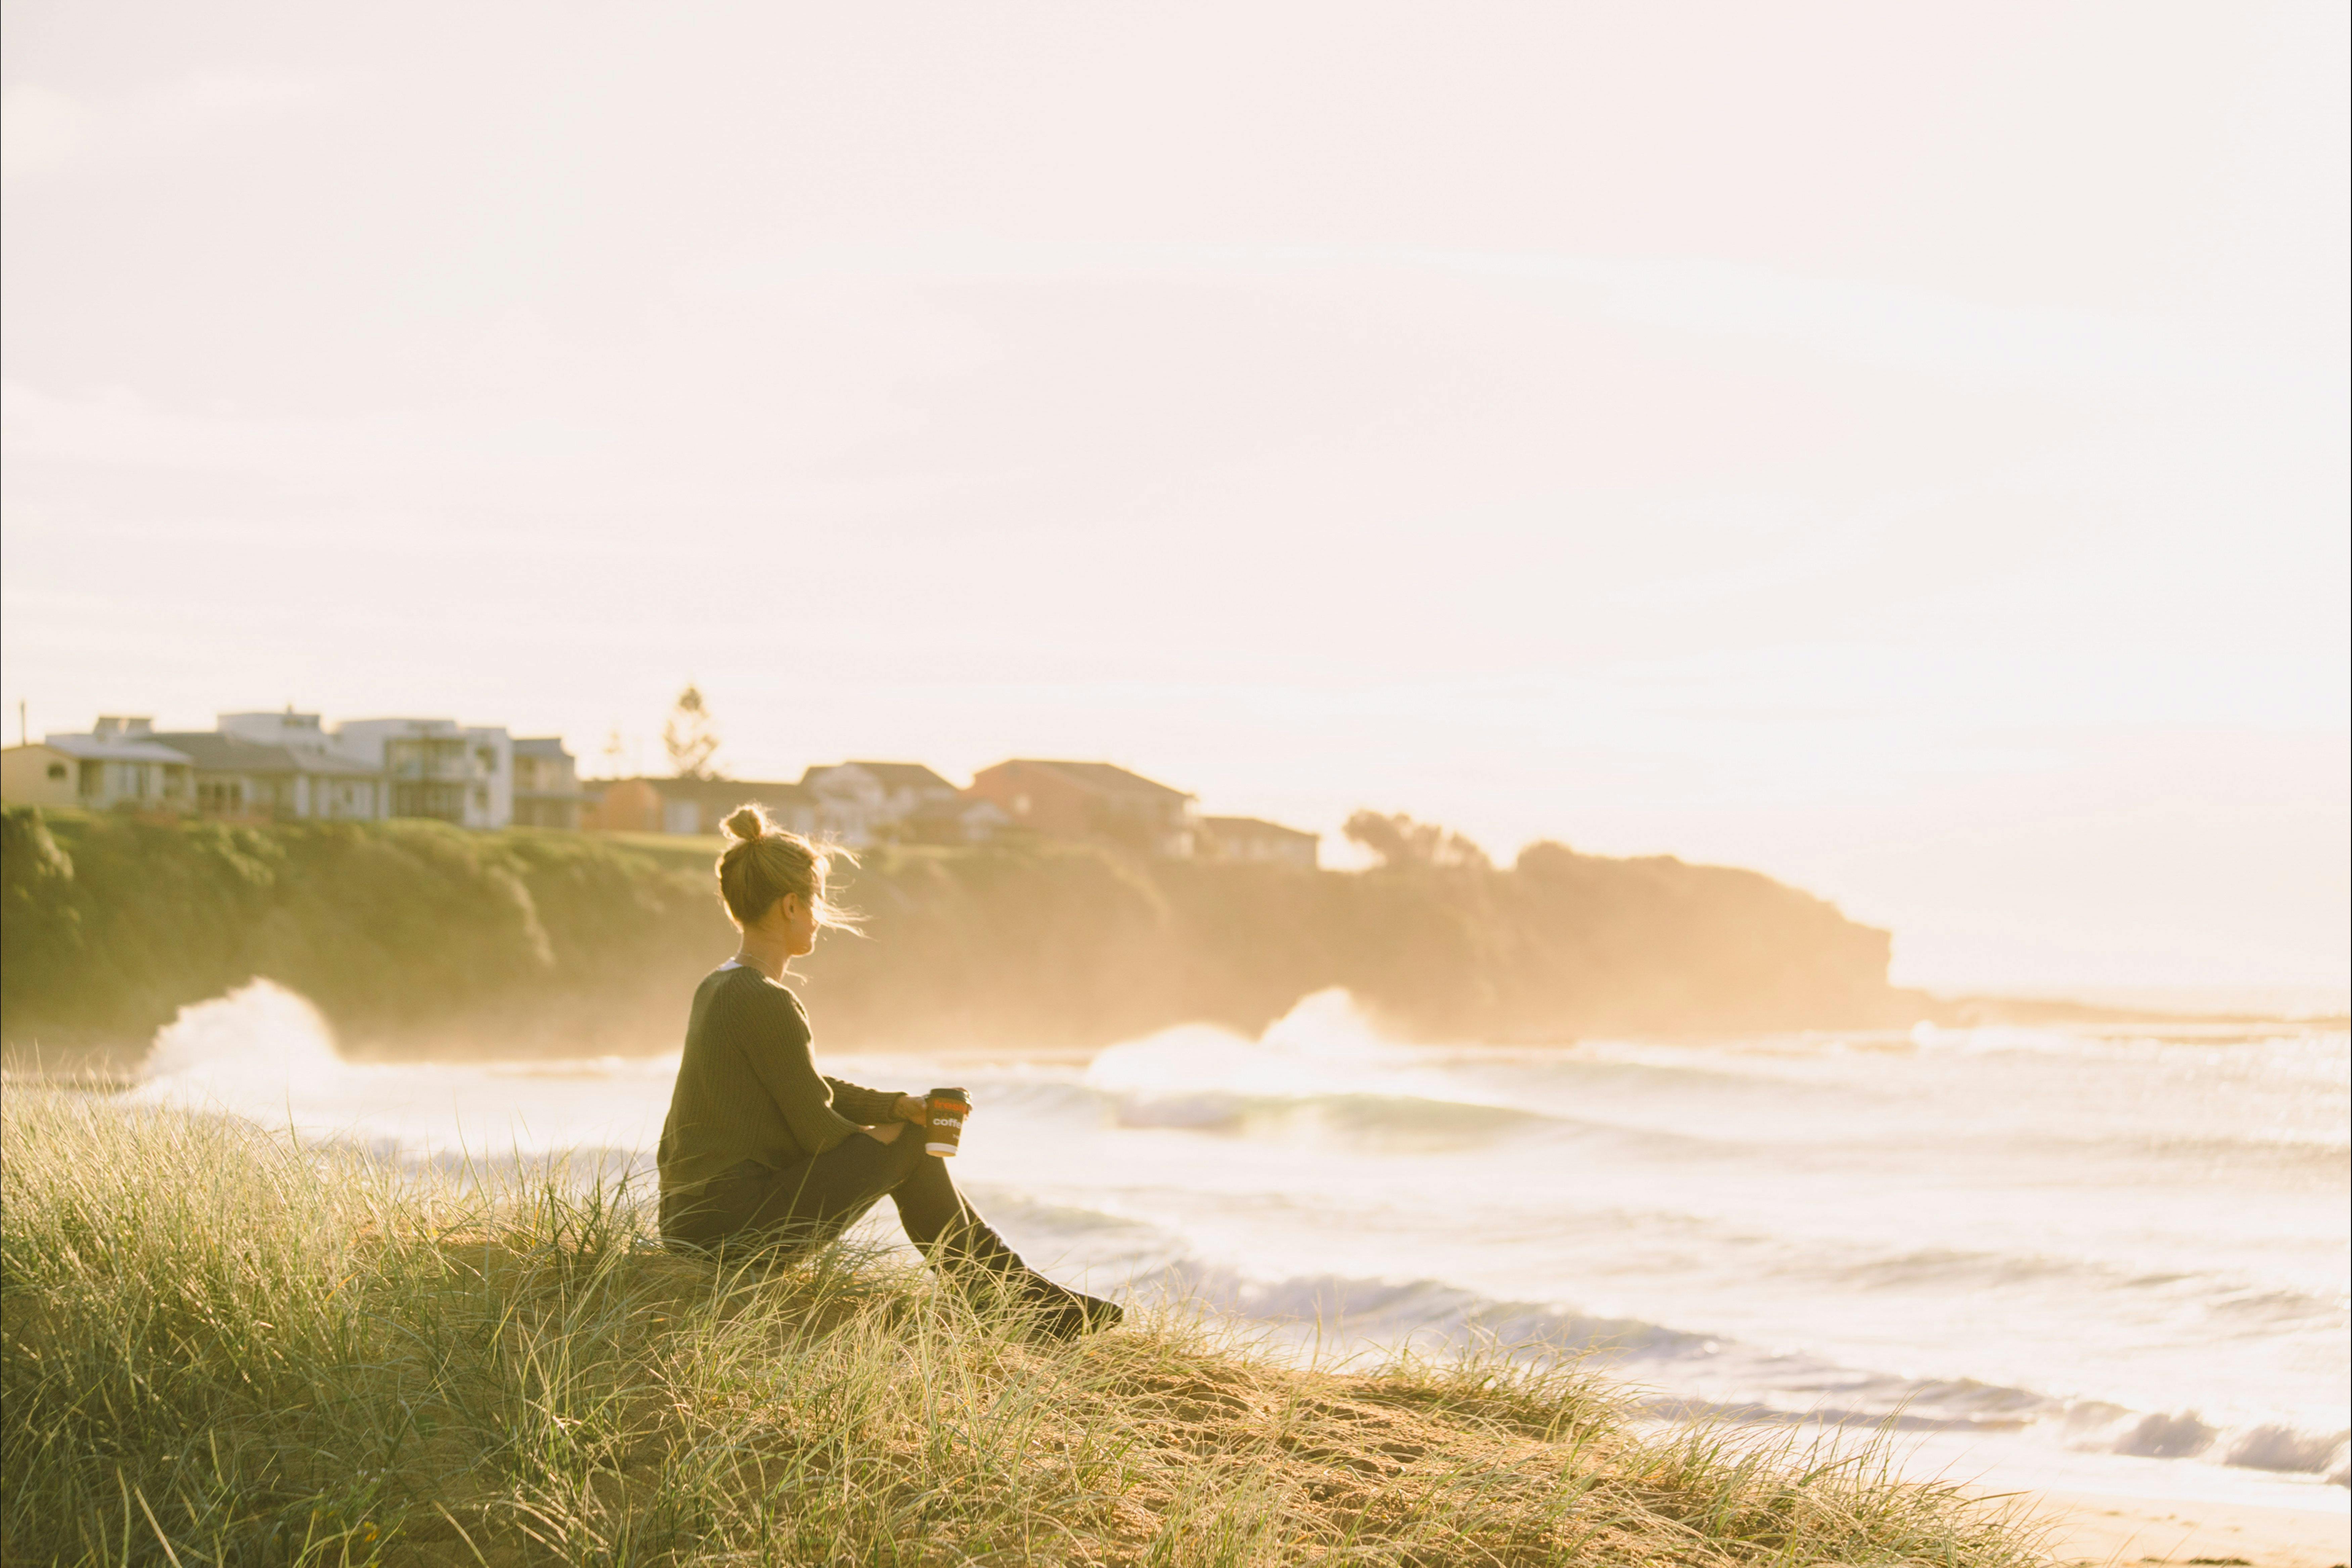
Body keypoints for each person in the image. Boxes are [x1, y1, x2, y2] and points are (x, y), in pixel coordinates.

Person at [656, 803, 1121, 1340]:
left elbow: (800, 1084)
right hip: (730, 1231)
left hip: (691, 1219)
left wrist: (895, 1107)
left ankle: (1017, 1297)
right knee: (914, 1146)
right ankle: (1010, 1300)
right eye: (817, 901)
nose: (820, 915)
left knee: (910, 1137)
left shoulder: (720, 985)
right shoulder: (767, 1000)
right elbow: (816, 1127)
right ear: (790, 905)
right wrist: (891, 1139)